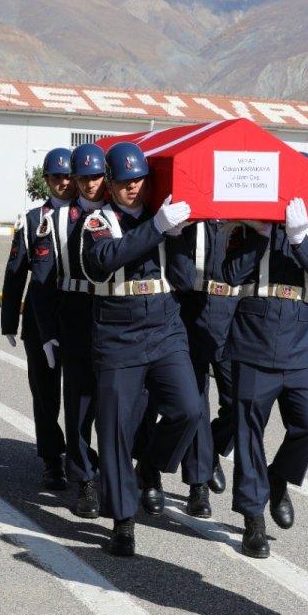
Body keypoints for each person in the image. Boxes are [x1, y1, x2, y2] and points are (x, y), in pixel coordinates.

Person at [80, 142, 198, 556]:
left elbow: (183, 279)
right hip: (118, 330)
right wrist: (158, 228)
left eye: (139, 181)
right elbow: (104, 260)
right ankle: (123, 520)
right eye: (125, 182)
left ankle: (149, 465)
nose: (133, 189)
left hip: (164, 324)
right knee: (114, 428)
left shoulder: (159, 219)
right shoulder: (97, 220)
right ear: (110, 184)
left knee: (188, 408)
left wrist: (182, 236)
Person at [223, 152, 308, 559]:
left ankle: (279, 478)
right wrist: (261, 234)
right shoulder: (249, 226)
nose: (302, 193)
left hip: (300, 341)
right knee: (248, 431)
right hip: (254, 335)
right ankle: (252, 518)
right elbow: (230, 274)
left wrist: (299, 237)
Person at [139, 216, 243, 519]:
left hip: (232, 311)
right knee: (194, 399)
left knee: (240, 401)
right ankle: (198, 487)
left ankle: (209, 452)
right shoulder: (190, 216)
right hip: (188, 309)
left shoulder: (244, 216)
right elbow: (181, 276)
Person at [1, 148, 73, 490]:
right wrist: (8, 322)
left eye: (68, 175)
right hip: (38, 322)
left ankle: (79, 454)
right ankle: (51, 458)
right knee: (46, 394)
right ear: (46, 180)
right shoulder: (32, 221)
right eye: (56, 176)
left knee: (79, 392)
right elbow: (16, 272)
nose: (63, 182)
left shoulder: (88, 215)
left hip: (76, 319)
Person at [51, 143, 108, 518]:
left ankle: (119, 469)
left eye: (96, 177)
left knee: (120, 402)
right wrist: (48, 331)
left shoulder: (116, 214)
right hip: (73, 316)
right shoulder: (59, 219)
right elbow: (45, 282)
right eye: (82, 177)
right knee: (78, 406)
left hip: (114, 316)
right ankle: (85, 479)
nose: (89, 185)